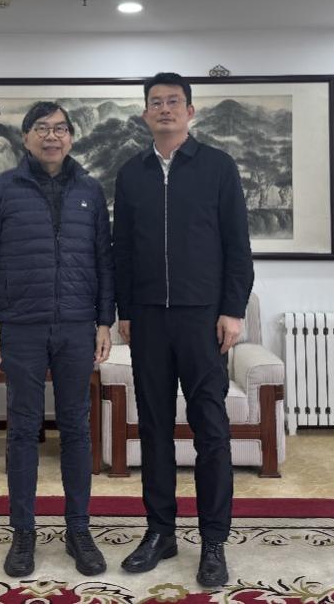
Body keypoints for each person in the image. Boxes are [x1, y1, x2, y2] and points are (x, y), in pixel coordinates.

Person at [113, 73, 254, 588]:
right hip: (148, 318)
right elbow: (122, 249)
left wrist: (232, 310)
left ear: (191, 111)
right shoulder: (131, 173)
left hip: (202, 318)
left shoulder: (218, 166)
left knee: (210, 431)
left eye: (174, 101)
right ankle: (160, 532)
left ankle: (213, 541)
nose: (165, 109)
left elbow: (237, 245)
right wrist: (125, 310)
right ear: (145, 114)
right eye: (156, 103)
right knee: (153, 429)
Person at [0, 101, 114, 578]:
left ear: (71, 136)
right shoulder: (1, 189)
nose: (52, 136)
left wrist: (104, 321)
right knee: (22, 429)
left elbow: (104, 260)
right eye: (42, 128)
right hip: (22, 326)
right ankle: (23, 532)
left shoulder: (90, 189)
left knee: (76, 429)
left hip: (76, 326)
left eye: (61, 129)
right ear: (26, 136)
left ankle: (78, 530)